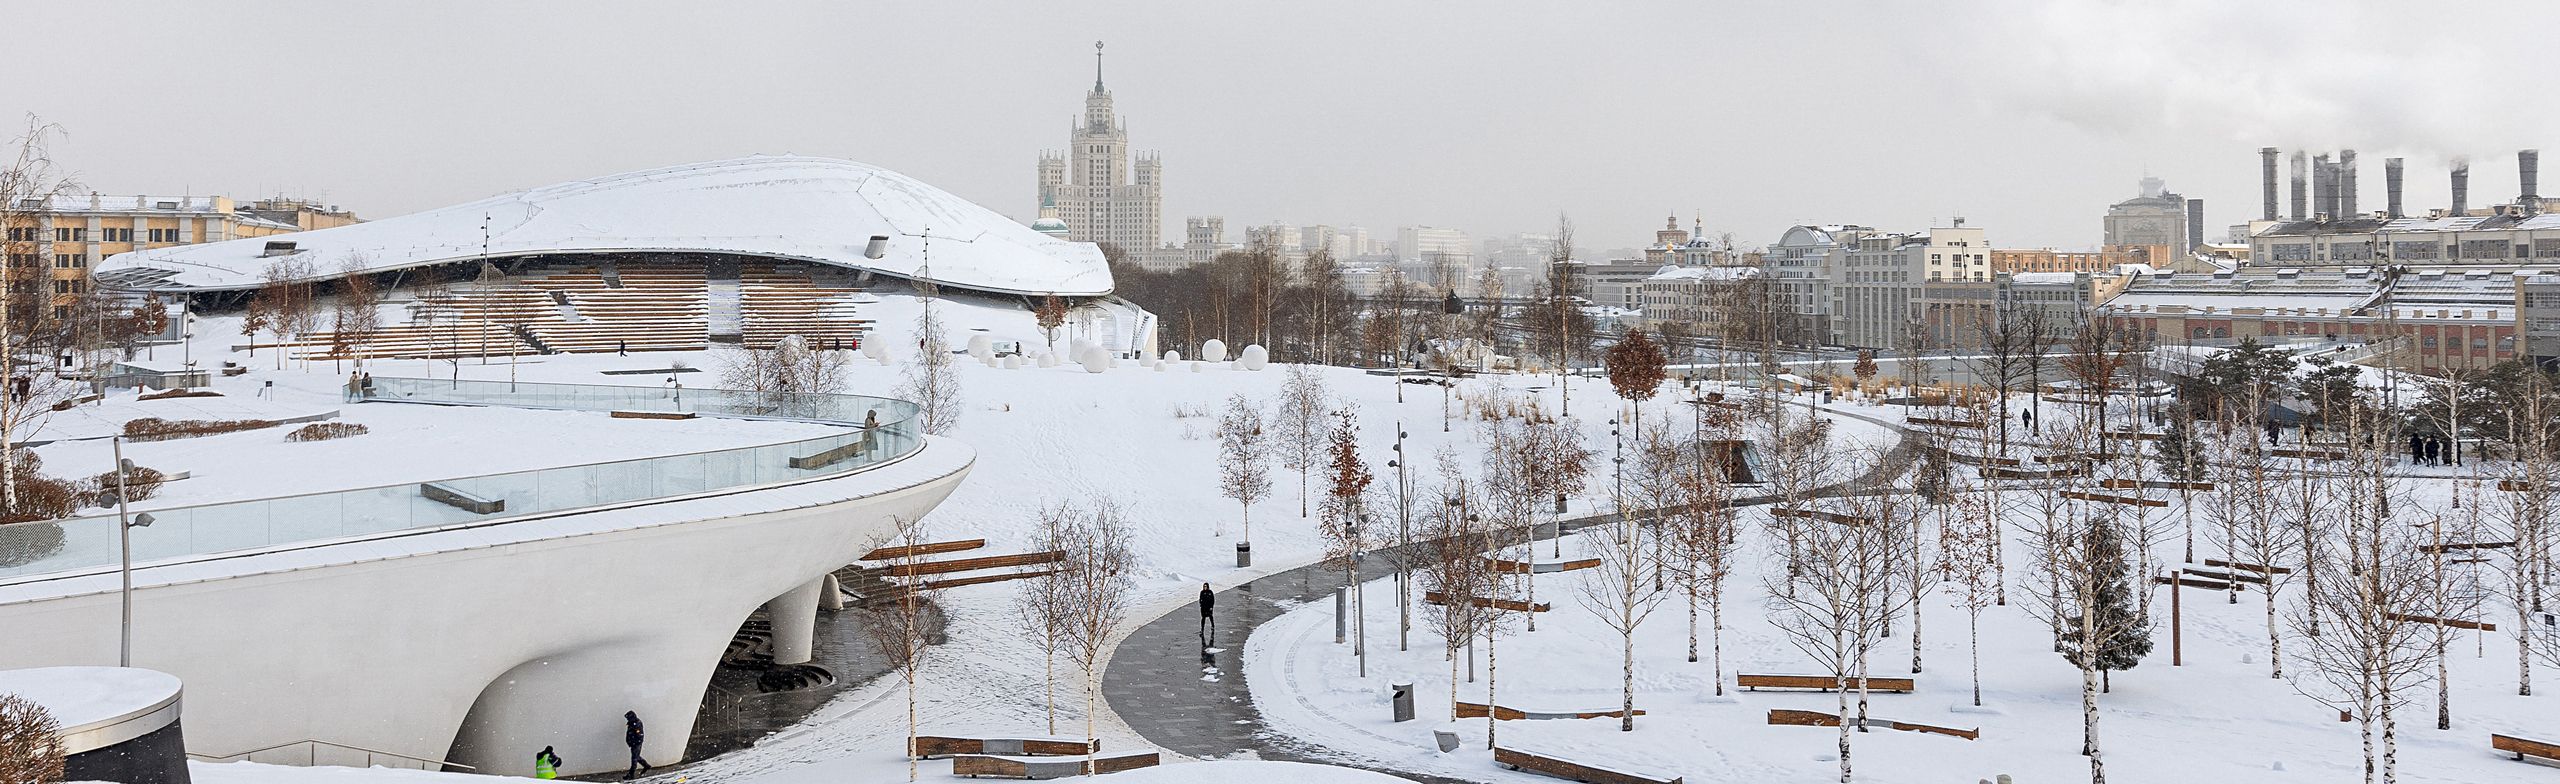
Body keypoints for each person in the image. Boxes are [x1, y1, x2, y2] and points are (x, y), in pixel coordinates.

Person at [623, 711, 650, 779]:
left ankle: (631, 774)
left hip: (636, 744)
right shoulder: (632, 723)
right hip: (634, 743)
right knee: (636, 757)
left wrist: (636, 742)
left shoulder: (636, 724)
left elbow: (639, 735)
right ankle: (646, 765)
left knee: (634, 759)